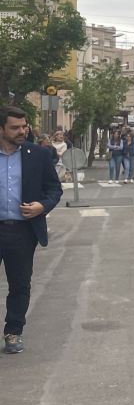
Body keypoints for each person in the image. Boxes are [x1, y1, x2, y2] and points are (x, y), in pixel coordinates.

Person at [0, 106, 63, 355]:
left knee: (19, 285)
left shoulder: (37, 154)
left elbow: (54, 190)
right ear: (1, 129)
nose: (22, 131)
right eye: (15, 127)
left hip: (22, 232)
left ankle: (13, 331)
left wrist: (42, 206)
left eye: (24, 126)